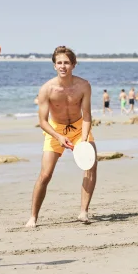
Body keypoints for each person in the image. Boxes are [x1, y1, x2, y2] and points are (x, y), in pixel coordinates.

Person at [26, 46, 96, 227]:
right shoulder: (46, 89)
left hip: (80, 128)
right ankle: (33, 217)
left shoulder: (83, 86)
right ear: (54, 66)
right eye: (59, 63)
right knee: (45, 174)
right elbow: (42, 121)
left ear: (73, 65)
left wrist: (84, 140)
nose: (63, 66)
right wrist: (58, 136)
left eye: (66, 62)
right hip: (55, 129)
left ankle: (83, 212)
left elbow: (87, 115)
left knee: (90, 166)